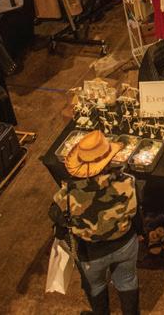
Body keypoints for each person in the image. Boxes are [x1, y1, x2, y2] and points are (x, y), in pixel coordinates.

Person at [50, 131, 141, 315]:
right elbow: (135, 213)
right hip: (124, 244)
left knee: (96, 287)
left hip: (90, 253)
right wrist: (141, 233)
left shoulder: (68, 193)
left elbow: (55, 215)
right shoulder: (128, 182)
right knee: (127, 281)